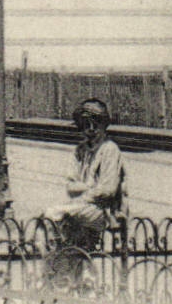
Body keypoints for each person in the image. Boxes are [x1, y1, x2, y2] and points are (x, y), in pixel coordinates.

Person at [42, 98, 126, 254]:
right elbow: (70, 186)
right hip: (84, 206)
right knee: (52, 218)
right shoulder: (80, 150)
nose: (91, 129)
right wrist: (91, 187)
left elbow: (108, 190)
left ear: (104, 125)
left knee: (54, 213)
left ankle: (58, 252)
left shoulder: (109, 149)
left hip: (105, 210)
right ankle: (64, 254)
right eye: (86, 124)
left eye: (96, 124)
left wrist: (83, 192)